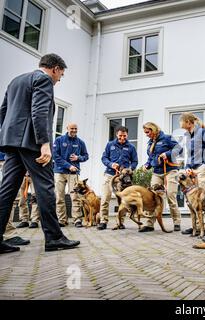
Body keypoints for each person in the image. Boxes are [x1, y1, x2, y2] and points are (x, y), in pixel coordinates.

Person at [0, 53, 80, 253]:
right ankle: (54, 238)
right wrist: (44, 143)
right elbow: (39, 111)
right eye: (60, 75)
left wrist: (6, 138)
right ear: (55, 68)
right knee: (45, 187)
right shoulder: (43, 80)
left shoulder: (15, 81)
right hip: (32, 143)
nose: (59, 79)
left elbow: (3, 112)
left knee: (6, 190)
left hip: (12, 143)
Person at [141, 122, 183, 232]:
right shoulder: (150, 143)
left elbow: (179, 149)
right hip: (157, 171)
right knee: (151, 197)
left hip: (170, 170)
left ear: (153, 129)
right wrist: (147, 165)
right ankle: (150, 224)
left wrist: (167, 154)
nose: (146, 134)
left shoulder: (167, 138)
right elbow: (151, 158)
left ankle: (177, 222)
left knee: (170, 195)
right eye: (145, 133)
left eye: (147, 132)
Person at [179, 112, 205, 236]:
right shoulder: (188, 135)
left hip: (204, 170)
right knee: (195, 201)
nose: (180, 124)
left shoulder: (203, 132)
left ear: (188, 122)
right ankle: (198, 227)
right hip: (193, 172)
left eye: (181, 121)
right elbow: (190, 155)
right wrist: (187, 167)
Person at [98, 126, 138, 230]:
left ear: (127, 135)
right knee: (105, 198)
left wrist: (130, 170)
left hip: (123, 178)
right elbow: (104, 158)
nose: (122, 138)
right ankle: (103, 221)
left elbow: (135, 161)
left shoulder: (131, 147)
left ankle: (120, 222)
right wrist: (111, 164)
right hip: (109, 175)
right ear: (116, 134)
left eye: (124, 136)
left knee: (122, 200)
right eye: (120, 136)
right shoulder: (110, 145)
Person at [53, 123, 89, 228]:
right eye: (72, 128)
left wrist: (78, 158)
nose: (74, 130)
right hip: (59, 172)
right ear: (67, 129)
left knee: (75, 197)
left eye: (75, 128)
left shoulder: (80, 142)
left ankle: (77, 219)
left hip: (74, 173)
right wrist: (69, 166)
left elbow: (86, 156)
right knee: (59, 197)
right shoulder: (59, 140)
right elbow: (56, 156)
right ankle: (62, 220)